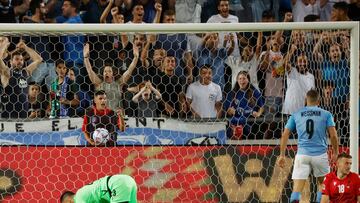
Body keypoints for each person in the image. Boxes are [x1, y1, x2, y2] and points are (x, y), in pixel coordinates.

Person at [278, 89, 339, 203]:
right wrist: (336, 152)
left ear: (306, 100)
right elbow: (333, 135)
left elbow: (285, 134)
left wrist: (282, 155)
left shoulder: (296, 114)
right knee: (323, 186)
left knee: (297, 189)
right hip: (320, 155)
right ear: (319, 101)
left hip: (302, 155)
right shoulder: (326, 114)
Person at [0, 37, 43, 119]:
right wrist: (3, 45)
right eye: (16, 59)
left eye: (21, 60)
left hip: (23, 115)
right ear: (10, 62)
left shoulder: (25, 72)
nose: (20, 61)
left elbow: (39, 59)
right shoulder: (6, 72)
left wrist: (25, 47)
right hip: (8, 116)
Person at [223, 71, 264, 139]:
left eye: (244, 78)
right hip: (235, 124)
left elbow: (262, 107)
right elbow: (228, 110)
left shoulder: (254, 92)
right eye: (240, 79)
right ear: (237, 80)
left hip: (250, 123)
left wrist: (259, 113)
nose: (242, 81)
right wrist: (230, 111)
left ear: (248, 80)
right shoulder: (232, 93)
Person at [60, 173, 137, 203]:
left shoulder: (78, 197)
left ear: (69, 201)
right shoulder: (86, 196)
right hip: (128, 180)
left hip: (116, 185)